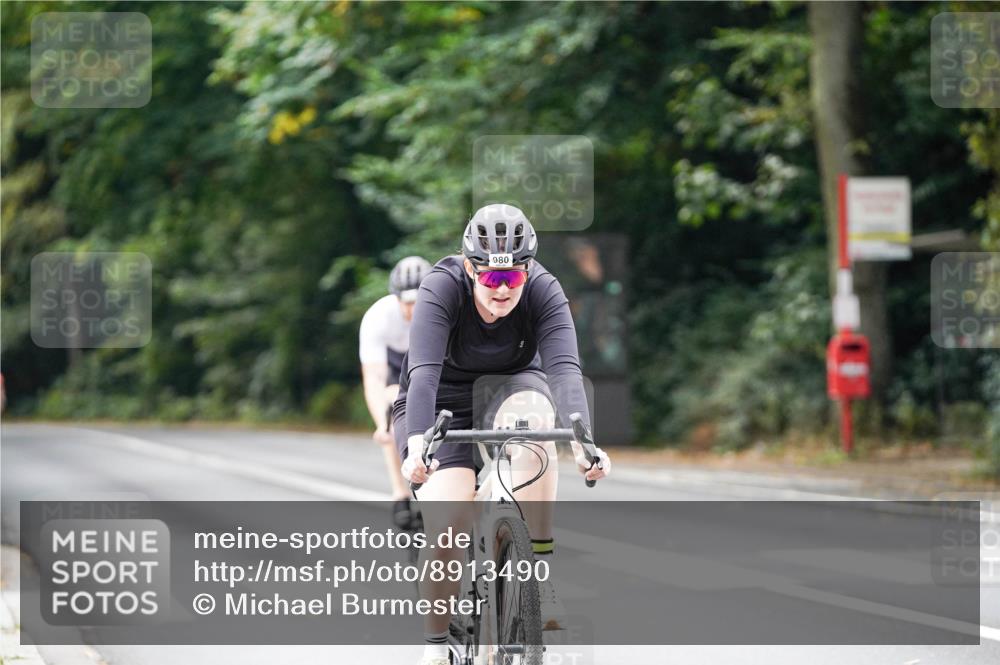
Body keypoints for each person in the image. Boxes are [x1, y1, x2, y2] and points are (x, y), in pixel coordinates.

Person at [393, 204, 611, 665]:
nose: (502, 290)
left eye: (512, 278)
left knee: (537, 433)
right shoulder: (441, 287)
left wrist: (583, 439)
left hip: (512, 385)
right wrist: (416, 444)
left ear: (527, 273)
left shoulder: (544, 291)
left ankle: (538, 574)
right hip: (440, 401)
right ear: (470, 269)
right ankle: (436, 642)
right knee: (449, 520)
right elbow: (424, 373)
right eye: (491, 279)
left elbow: (565, 370)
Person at [359, 255, 432, 529]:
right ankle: (399, 494)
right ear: (396, 298)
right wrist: (381, 422)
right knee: (392, 411)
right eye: (407, 302)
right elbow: (373, 377)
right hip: (392, 366)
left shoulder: (440, 312)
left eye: (419, 302)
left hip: (427, 359)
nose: (413, 309)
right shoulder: (379, 317)